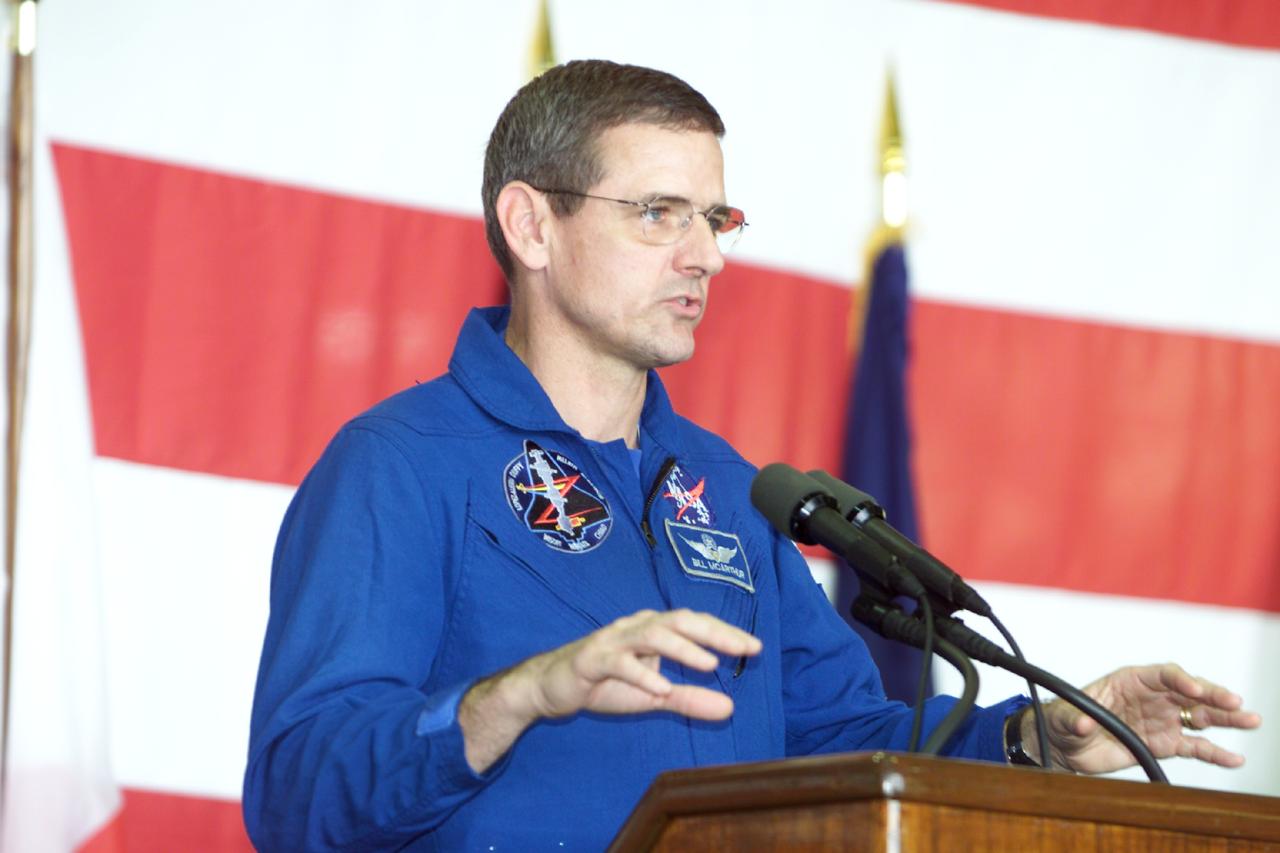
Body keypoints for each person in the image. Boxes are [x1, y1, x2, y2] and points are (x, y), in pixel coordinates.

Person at [242, 60, 1261, 851]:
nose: (706, 255)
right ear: (529, 225)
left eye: (713, 217)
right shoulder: (400, 465)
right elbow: (297, 794)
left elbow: (835, 743)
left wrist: (1038, 737)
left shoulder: (730, 491)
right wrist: (523, 692)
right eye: (657, 214)